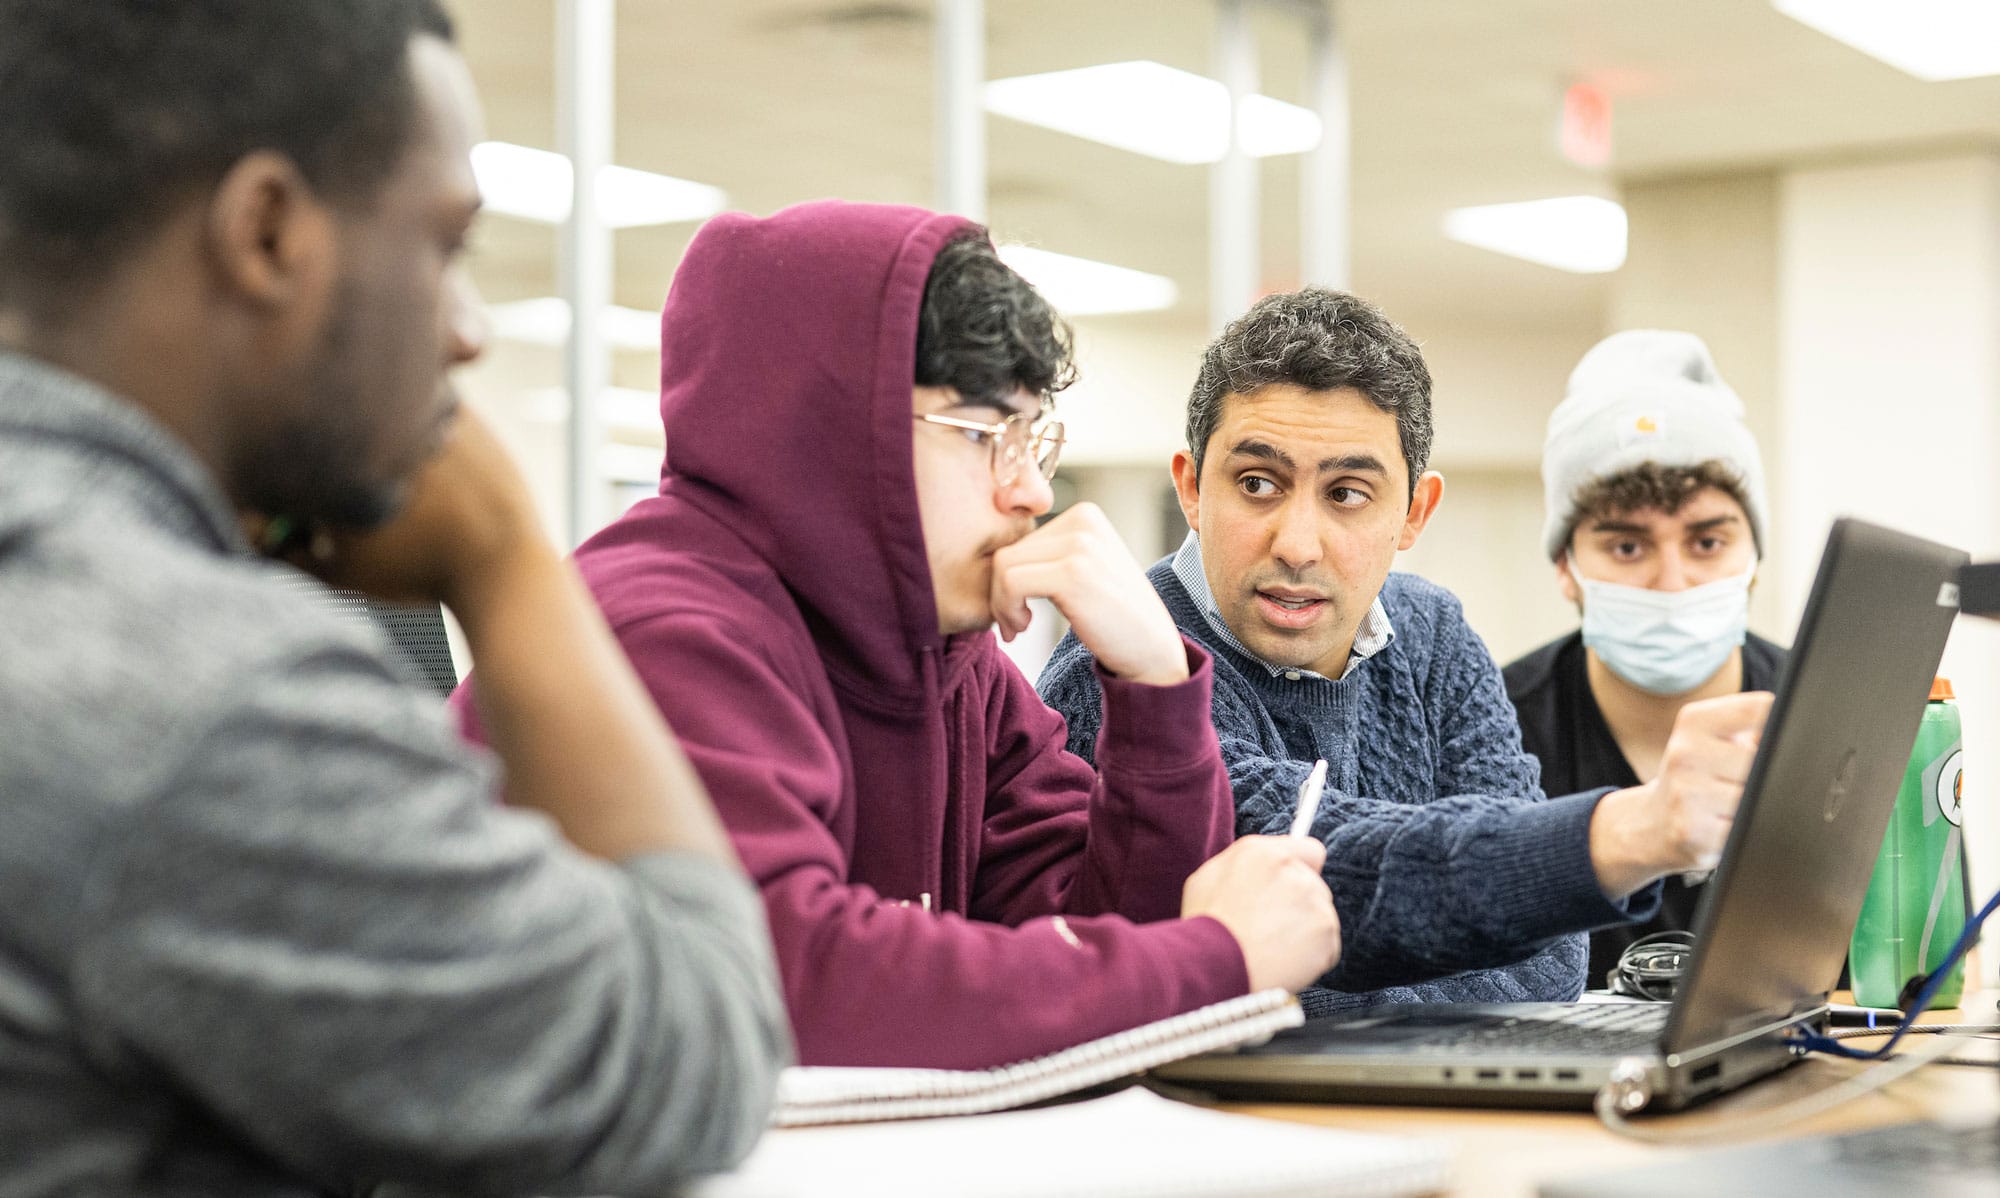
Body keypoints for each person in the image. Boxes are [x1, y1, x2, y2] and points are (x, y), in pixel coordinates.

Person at [0, 2, 789, 1193]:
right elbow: (693, 1053)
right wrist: (506, 555)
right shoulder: (204, 694)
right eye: (447, 244)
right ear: (265, 232)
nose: (467, 332)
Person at [454, 200, 1344, 1070]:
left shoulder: (954, 664)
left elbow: (1101, 956)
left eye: (1033, 439)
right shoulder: (662, 631)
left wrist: (1153, 686)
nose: (1032, 491)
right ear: (835, 430)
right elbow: (796, 987)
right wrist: (1215, 962)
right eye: (985, 432)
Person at [1039, 289, 1772, 1017]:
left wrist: (1331, 986)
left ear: (1414, 513)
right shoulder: (1127, 676)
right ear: (1193, 489)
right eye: (1257, 485)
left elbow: (1551, 953)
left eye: (1348, 493)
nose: (1297, 544)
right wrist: (1553, 879)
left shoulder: (1431, 636)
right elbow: (1319, 876)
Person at [1504, 329, 1785, 989]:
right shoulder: (1491, 728)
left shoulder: (1832, 716)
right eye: (1628, 547)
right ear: (1566, 568)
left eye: (1708, 541)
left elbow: (1930, 972)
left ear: (1753, 558)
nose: (1673, 580)